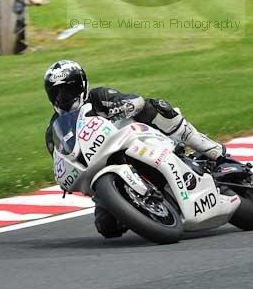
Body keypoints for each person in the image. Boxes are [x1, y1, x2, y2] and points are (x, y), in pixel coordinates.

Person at [44, 58, 230, 238]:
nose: (62, 97)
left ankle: (207, 147)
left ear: (81, 85)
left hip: (135, 141)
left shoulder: (98, 97)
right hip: (99, 171)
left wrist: (125, 105)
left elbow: (135, 100)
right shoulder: (54, 130)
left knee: (154, 107)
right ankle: (139, 206)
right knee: (107, 227)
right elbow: (60, 157)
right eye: (56, 93)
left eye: (68, 90)